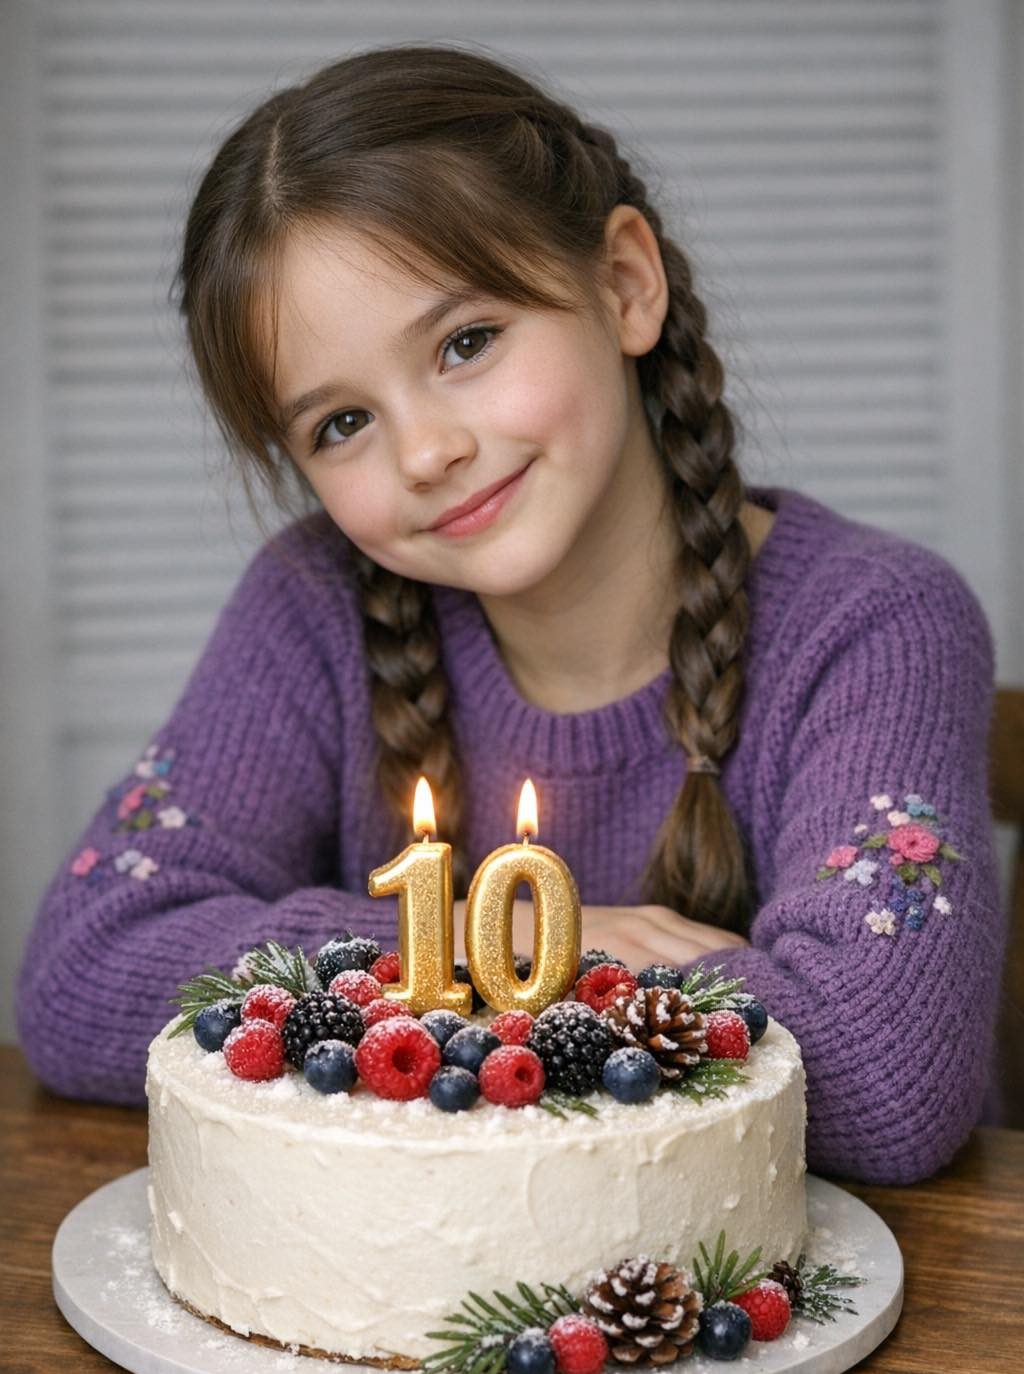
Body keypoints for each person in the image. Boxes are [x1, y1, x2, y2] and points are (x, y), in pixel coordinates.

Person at [16, 43, 1004, 1181]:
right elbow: (85, 968)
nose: (429, 451)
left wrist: (440, 993)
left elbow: (886, 1074)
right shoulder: (312, 606)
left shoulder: (874, 626)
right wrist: (505, 944)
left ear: (625, 285)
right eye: (341, 424)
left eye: (466, 343)